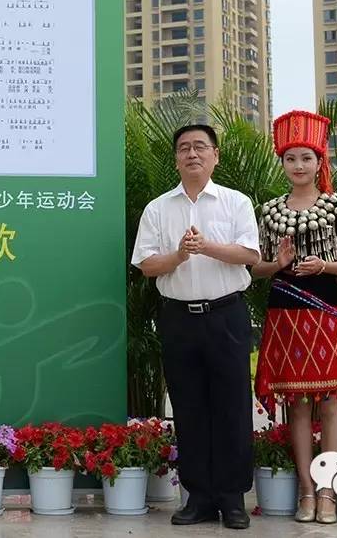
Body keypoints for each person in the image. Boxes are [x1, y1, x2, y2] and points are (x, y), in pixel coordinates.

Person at [131, 124, 261, 530]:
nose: (192, 154)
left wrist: (206, 247)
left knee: (232, 407)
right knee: (188, 409)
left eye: (200, 147)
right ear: (176, 158)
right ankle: (198, 498)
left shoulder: (236, 203)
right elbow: (147, 265)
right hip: (178, 318)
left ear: (215, 156)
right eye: (184, 148)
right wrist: (179, 256)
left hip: (226, 314)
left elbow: (250, 254)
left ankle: (233, 498)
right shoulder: (158, 208)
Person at [252, 110, 337, 525]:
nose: (298, 166)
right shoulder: (270, 211)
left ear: (320, 162)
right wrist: (275, 262)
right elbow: (253, 270)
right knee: (297, 405)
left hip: (327, 313)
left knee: (332, 404)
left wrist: (325, 267)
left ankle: (328, 490)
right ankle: (304, 489)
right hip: (286, 314)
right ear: (282, 163)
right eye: (291, 158)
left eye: (306, 158)